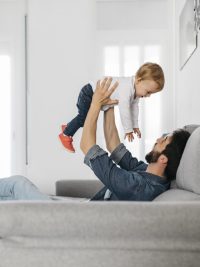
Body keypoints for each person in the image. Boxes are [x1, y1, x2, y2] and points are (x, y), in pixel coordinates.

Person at [80, 77, 191, 201]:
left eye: (164, 140)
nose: (158, 139)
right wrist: (109, 104)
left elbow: (87, 146)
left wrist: (96, 103)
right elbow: (114, 146)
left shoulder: (139, 187)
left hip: (88, 215)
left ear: (163, 159)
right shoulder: (148, 173)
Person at [59, 62, 165, 153]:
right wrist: (128, 129)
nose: (148, 96)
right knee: (83, 119)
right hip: (89, 93)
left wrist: (135, 125)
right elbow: (125, 110)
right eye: (148, 92)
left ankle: (68, 126)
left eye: (151, 94)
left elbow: (134, 108)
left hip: (92, 93)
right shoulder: (126, 88)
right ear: (138, 80)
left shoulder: (135, 91)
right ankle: (65, 134)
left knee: (84, 119)